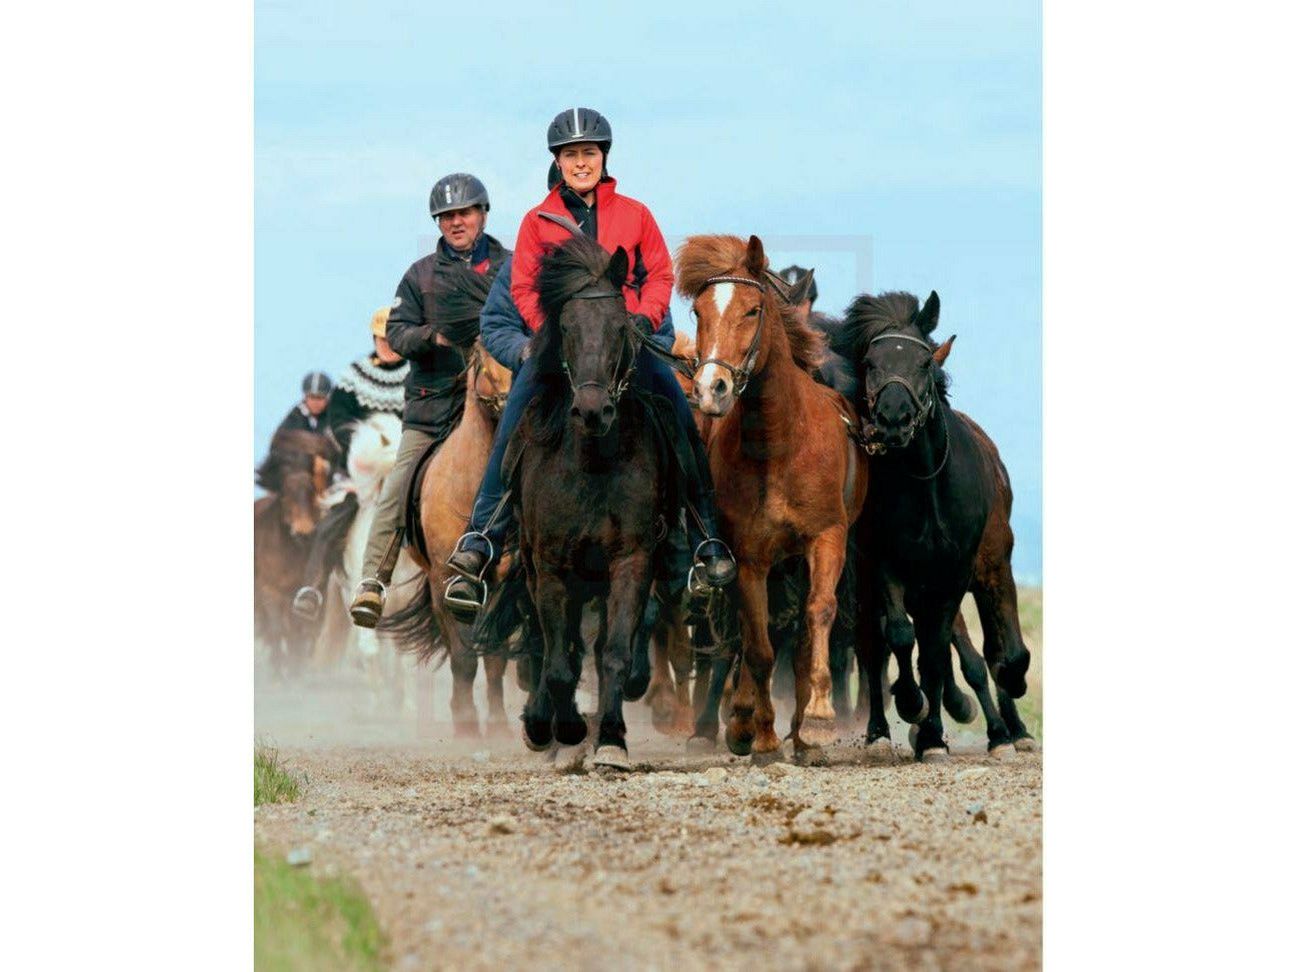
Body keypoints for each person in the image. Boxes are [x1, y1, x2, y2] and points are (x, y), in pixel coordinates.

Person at [444, 107, 736, 618]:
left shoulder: (636, 214)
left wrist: (640, 322)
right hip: (563, 353)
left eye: (589, 153)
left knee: (676, 413)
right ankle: (481, 536)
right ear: (558, 162)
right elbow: (523, 288)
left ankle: (705, 539)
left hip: (627, 347)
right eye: (571, 155)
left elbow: (660, 277)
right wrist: (549, 335)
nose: (581, 163)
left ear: (603, 157)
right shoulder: (537, 221)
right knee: (514, 418)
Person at [348, 173, 510, 628]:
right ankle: (373, 582)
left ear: (482, 214)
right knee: (397, 485)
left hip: (500, 402)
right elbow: (397, 332)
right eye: (447, 217)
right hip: (433, 405)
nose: (456, 222)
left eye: (464, 213)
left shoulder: (511, 268)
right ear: (439, 223)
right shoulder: (419, 275)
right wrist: (434, 336)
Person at [288, 308, 409, 619]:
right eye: (383, 338)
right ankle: (312, 587)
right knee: (335, 518)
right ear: (374, 338)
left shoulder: (417, 374)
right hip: (361, 469)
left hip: (406, 463)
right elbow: (338, 420)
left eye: (393, 337)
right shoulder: (356, 375)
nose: (389, 344)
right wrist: (362, 451)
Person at [275, 371, 333, 436]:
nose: (315, 403)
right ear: (305, 397)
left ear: (328, 398)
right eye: (312, 397)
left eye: (320, 398)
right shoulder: (294, 418)